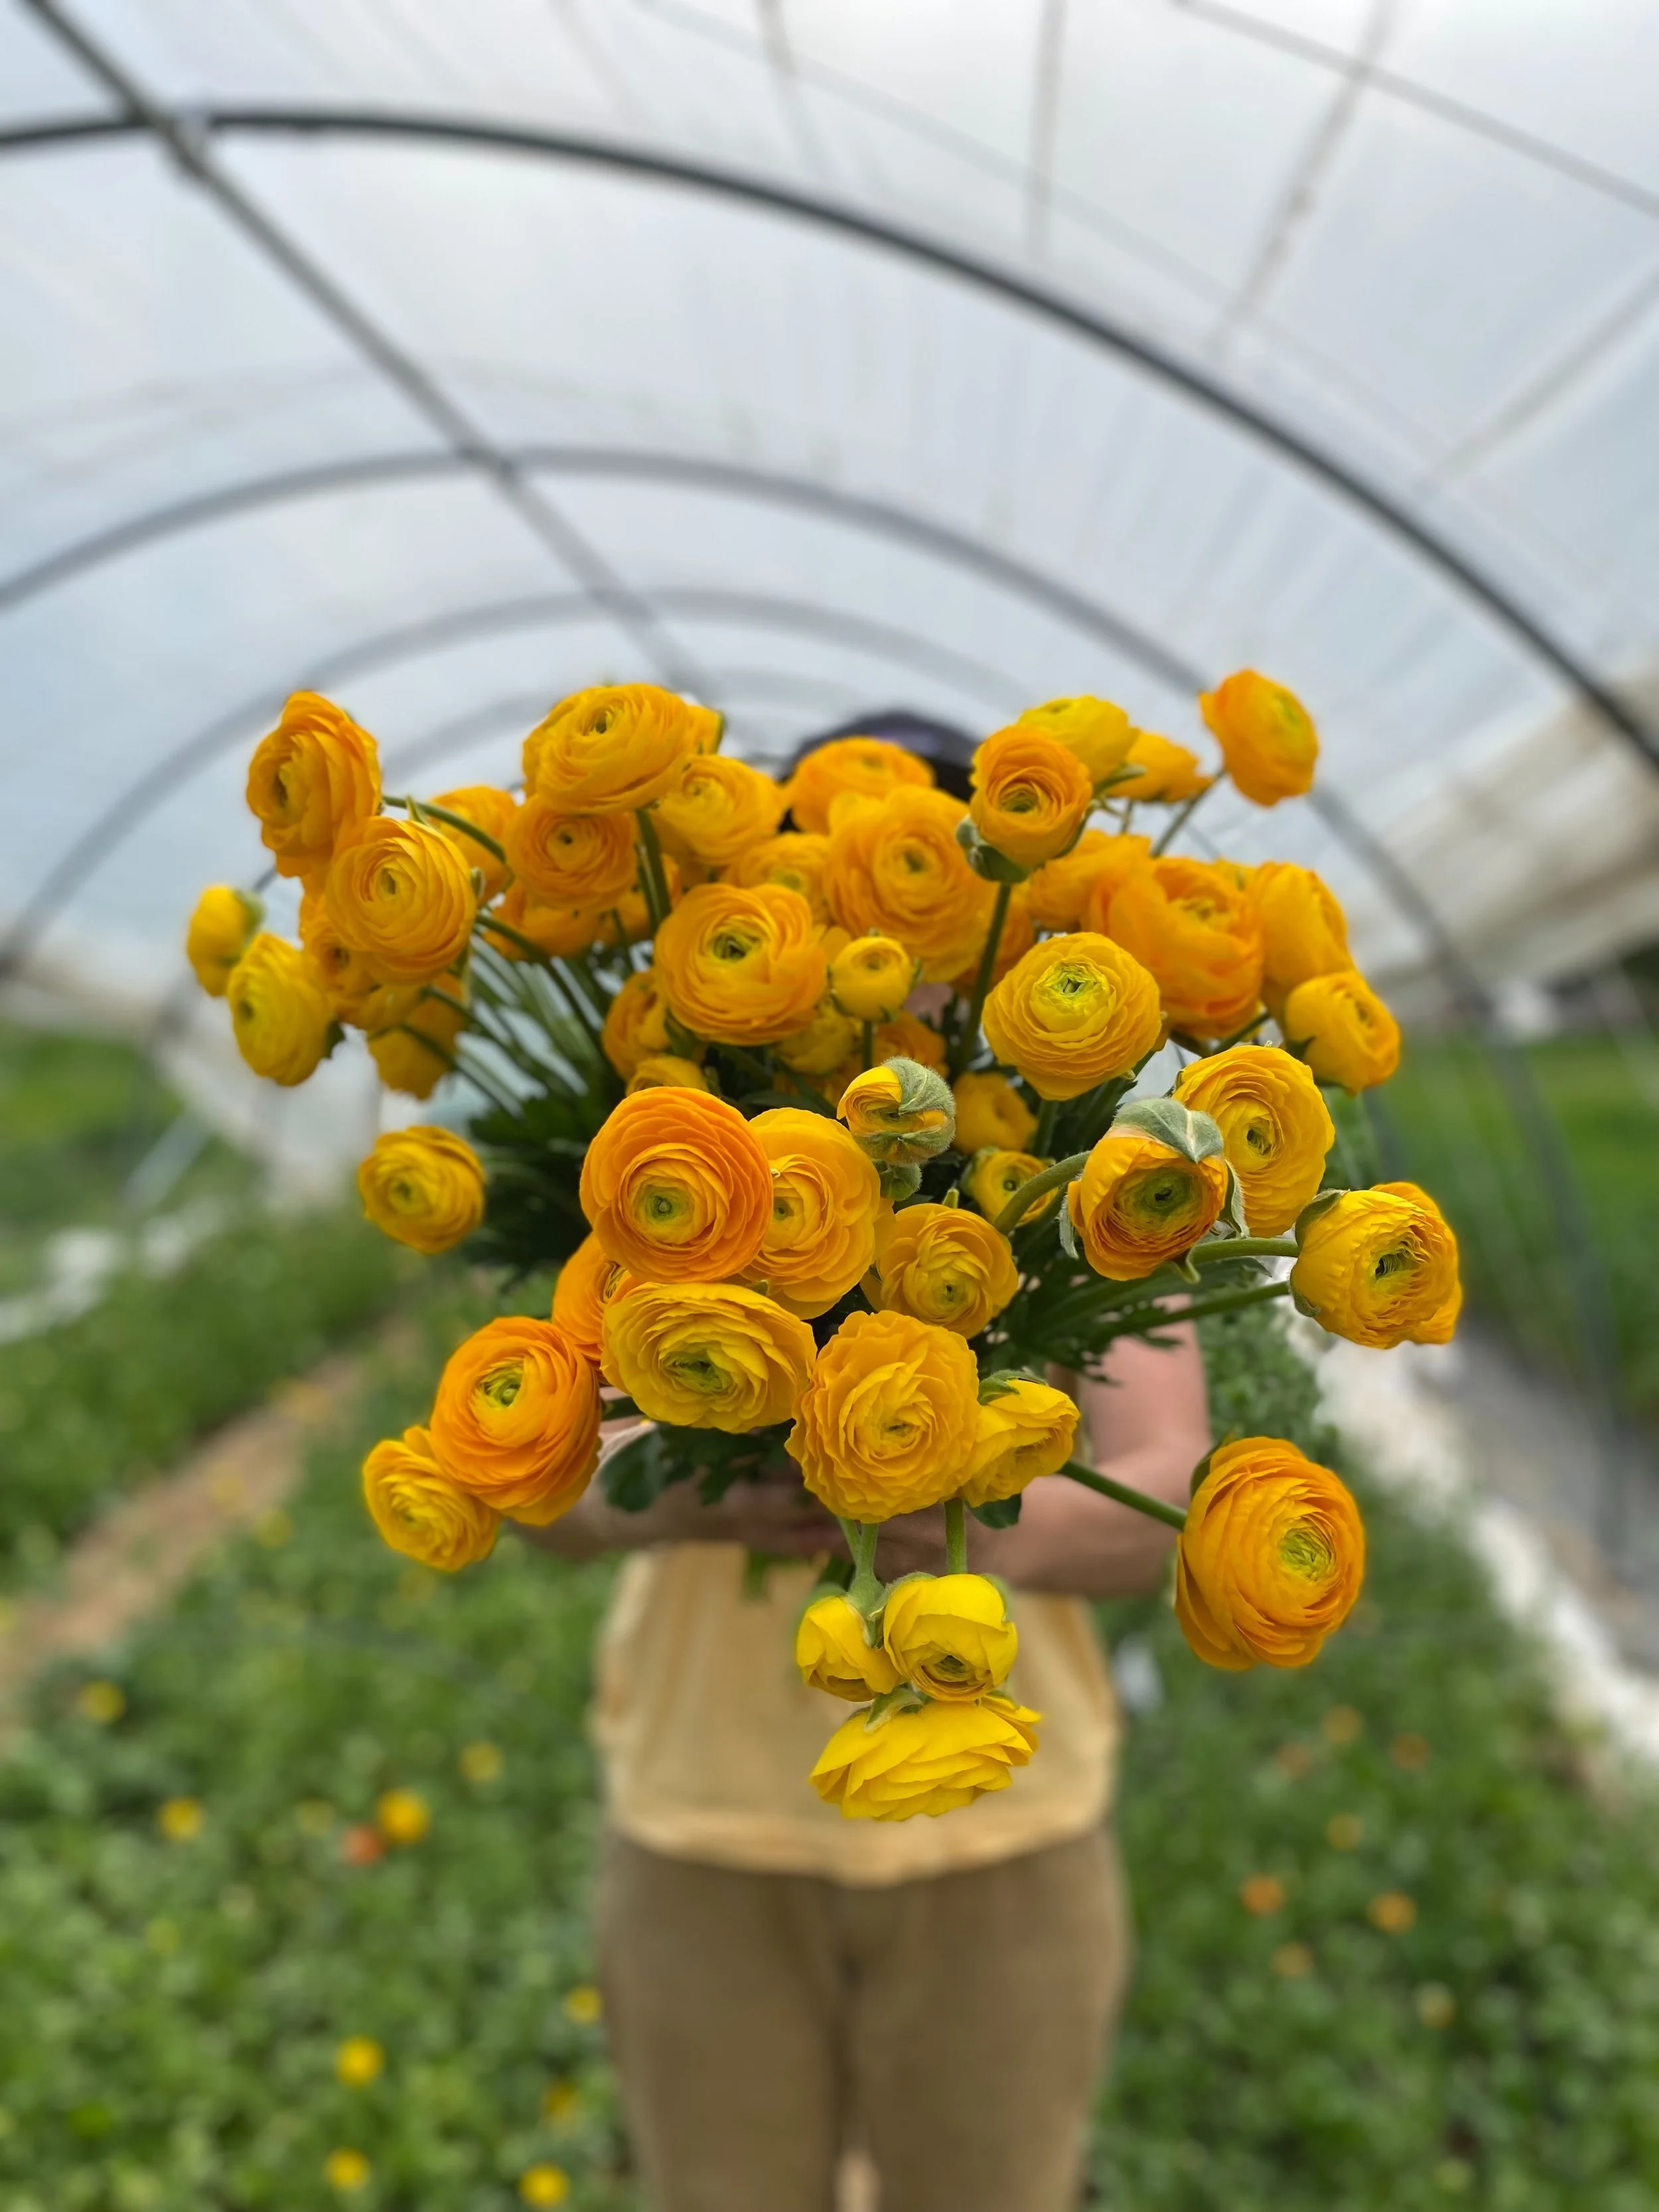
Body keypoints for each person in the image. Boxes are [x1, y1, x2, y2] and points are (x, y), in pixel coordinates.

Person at [523, 713, 1212, 2212]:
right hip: (702, 1821)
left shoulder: (1097, 1172)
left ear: (1009, 917)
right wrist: (697, 1502)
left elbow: (1168, 1480)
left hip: (1004, 1830)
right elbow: (536, 1494)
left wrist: (970, 1544)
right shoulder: (658, 1161)